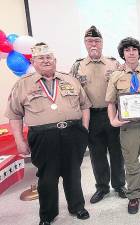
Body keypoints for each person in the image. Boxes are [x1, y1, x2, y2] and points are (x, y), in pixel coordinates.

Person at [5, 43, 91, 225]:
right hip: (43, 137)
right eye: (41, 58)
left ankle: (77, 207)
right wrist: (19, 141)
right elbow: (14, 115)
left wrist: (84, 129)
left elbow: (85, 105)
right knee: (47, 178)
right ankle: (48, 215)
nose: (46, 61)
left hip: (72, 133)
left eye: (49, 57)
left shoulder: (70, 80)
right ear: (33, 61)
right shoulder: (23, 84)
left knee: (73, 173)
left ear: (55, 60)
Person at [105, 37, 140, 214]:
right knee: (131, 164)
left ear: (139, 52)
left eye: (134, 49)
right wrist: (113, 120)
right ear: (122, 53)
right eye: (127, 50)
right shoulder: (115, 76)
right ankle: (133, 196)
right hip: (128, 128)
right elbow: (111, 102)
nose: (131, 52)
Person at [70, 25, 126, 204]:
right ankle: (102, 187)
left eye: (97, 41)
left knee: (117, 152)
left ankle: (119, 185)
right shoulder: (77, 66)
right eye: (90, 41)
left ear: (102, 43)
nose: (93, 44)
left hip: (113, 114)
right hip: (91, 117)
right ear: (85, 43)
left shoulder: (114, 63)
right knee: (97, 153)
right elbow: (73, 93)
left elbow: (123, 88)